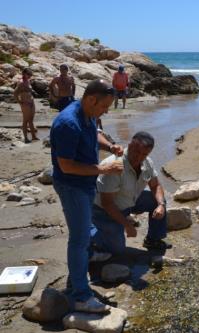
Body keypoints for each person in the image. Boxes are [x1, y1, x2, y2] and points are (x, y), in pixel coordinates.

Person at [50, 79, 124, 313]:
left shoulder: (87, 112)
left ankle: (83, 267)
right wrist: (103, 169)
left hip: (86, 183)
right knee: (79, 239)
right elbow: (66, 166)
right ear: (92, 99)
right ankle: (81, 295)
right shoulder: (67, 123)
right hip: (72, 186)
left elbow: (96, 133)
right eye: (104, 106)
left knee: (84, 230)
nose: (106, 111)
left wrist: (110, 146)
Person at [91, 131, 169, 255]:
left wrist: (161, 205)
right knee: (116, 250)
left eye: (144, 154)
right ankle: (90, 231)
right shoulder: (114, 165)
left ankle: (153, 239)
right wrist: (127, 225)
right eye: (137, 152)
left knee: (159, 200)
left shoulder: (147, 162)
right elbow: (107, 204)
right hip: (105, 211)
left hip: (129, 201)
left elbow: (155, 185)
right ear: (130, 145)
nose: (139, 157)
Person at [13, 68, 38, 143]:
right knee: (25, 120)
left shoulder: (28, 81)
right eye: (28, 74)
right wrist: (20, 102)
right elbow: (15, 93)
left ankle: (33, 136)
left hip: (31, 102)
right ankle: (26, 138)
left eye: (31, 74)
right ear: (24, 74)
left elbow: (29, 91)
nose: (30, 76)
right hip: (25, 104)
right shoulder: (21, 83)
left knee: (31, 120)